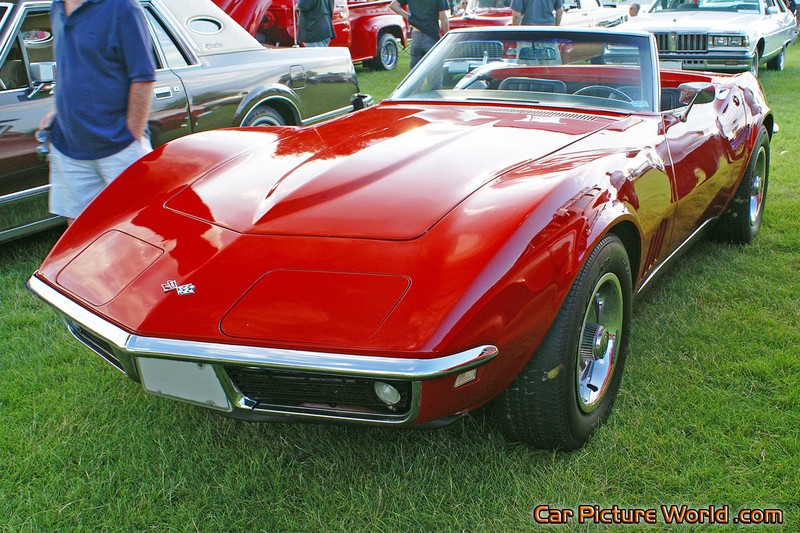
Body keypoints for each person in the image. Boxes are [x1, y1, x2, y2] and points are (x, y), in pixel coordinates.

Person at [39, 0, 155, 226]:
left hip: (119, 146)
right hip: (69, 145)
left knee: (134, 229)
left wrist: (132, 137)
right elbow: (71, 65)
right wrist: (57, 110)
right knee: (79, 232)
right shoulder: (57, 6)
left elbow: (143, 77)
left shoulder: (123, 8)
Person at [390, 0, 450, 68]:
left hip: (416, 36)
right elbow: (443, 17)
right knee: (434, 70)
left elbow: (393, 5)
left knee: (416, 72)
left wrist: (409, 18)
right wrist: (446, 37)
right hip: (431, 35)